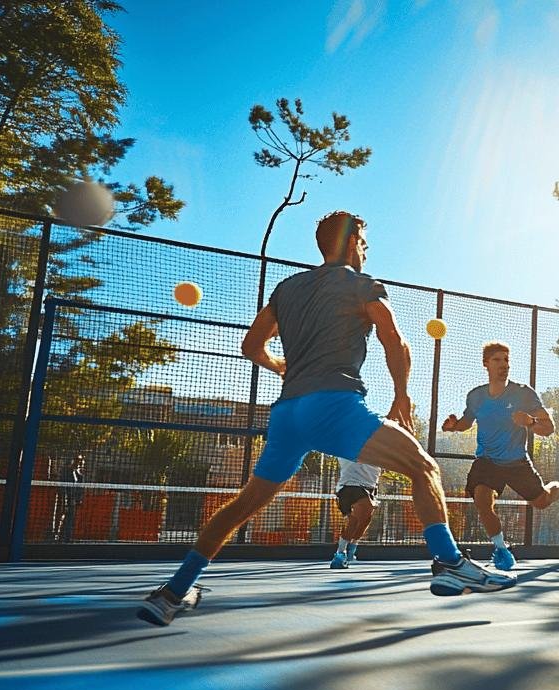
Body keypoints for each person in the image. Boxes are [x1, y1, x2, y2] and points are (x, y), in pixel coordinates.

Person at [137, 211, 514, 626]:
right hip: (334, 405)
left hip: (287, 414)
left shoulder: (286, 288)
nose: (366, 251)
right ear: (352, 242)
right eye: (364, 243)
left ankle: (173, 592)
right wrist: (402, 394)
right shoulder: (362, 285)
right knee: (423, 468)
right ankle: (450, 563)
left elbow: (251, 345)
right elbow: (393, 338)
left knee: (245, 503)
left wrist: (280, 366)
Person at [441, 342, 559, 570]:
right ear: (486, 364)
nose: (504, 365)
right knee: (482, 500)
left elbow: (549, 428)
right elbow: (466, 422)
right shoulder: (476, 396)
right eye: (497, 360)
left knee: (541, 502)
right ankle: (501, 550)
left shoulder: (523, 393)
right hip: (487, 461)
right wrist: (453, 426)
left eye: (506, 360)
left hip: (516, 462)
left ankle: (557, 490)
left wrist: (531, 422)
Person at [328, 456, 379, 569]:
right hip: (351, 487)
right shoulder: (346, 447)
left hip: (368, 488)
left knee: (364, 520)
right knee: (354, 521)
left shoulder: (380, 451)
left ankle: (351, 548)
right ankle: (340, 554)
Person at [53, 454, 85, 542]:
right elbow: (63, 488)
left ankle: (67, 539)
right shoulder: (66, 472)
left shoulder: (78, 474)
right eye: (77, 460)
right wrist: (65, 502)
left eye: (80, 461)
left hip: (72, 502)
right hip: (64, 500)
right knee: (61, 518)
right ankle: (58, 537)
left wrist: (78, 499)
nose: (79, 463)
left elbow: (79, 488)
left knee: (70, 520)